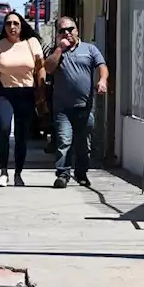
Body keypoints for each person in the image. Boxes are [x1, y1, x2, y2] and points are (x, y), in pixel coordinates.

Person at [0, 11, 46, 187]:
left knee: (21, 135)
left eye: (15, 23)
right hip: (5, 94)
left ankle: (18, 172)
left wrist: (41, 94)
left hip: (26, 93)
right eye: (8, 23)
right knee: (3, 129)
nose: (12, 27)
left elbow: (40, 70)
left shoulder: (31, 43)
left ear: (21, 25)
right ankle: (3, 172)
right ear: (5, 26)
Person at [43, 17, 108, 189]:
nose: (67, 33)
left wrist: (102, 80)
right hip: (62, 107)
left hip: (84, 107)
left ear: (77, 30)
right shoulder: (55, 51)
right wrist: (59, 49)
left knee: (83, 145)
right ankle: (63, 175)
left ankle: (81, 173)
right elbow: (48, 68)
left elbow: (102, 65)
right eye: (62, 30)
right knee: (64, 141)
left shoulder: (90, 49)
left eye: (70, 29)